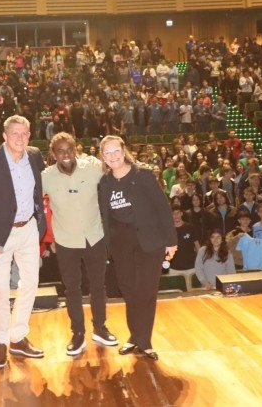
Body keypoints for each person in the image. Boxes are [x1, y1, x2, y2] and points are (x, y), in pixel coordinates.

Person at [0, 115, 47, 369]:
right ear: (4, 136)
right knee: (1, 289)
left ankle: (17, 337)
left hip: (28, 228)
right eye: (15, 133)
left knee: (31, 283)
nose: (20, 138)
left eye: (24, 133)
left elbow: (39, 190)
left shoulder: (35, 155)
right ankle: (1, 342)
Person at [98, 135, 177, 361]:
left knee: (146, 291)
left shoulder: (143, 176)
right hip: (121, 243)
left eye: (116, 151)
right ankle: (134, 337)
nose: (113, 156)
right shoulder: (105, 182)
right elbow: (107, 216)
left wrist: (171, 241)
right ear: (102, 157)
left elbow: (163, 208)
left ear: (124, 151)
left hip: (149, 241)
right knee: (129, 291)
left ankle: (145, 341)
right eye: (107, 153)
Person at [41, 132, 117, 356]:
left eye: (69, 149)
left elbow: (116, 169)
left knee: (98, 286)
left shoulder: (92, 167)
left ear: (76, 149)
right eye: (60, 151)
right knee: (72, 289)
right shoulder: (45, 177)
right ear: (53, 154)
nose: (66, 154)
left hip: (94, 237)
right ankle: (78, 333)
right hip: (65, 242)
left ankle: (100, 328)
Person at [169, 204, 200, 290]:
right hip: (174, 268)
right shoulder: (168, 230)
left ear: (182, 214)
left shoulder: (190, 227)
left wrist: (199, 262)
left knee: (192, 295)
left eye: (178, 213)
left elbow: (197, 246)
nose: (176, 216)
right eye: (173, 214)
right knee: (175, 295)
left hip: (191, 268)